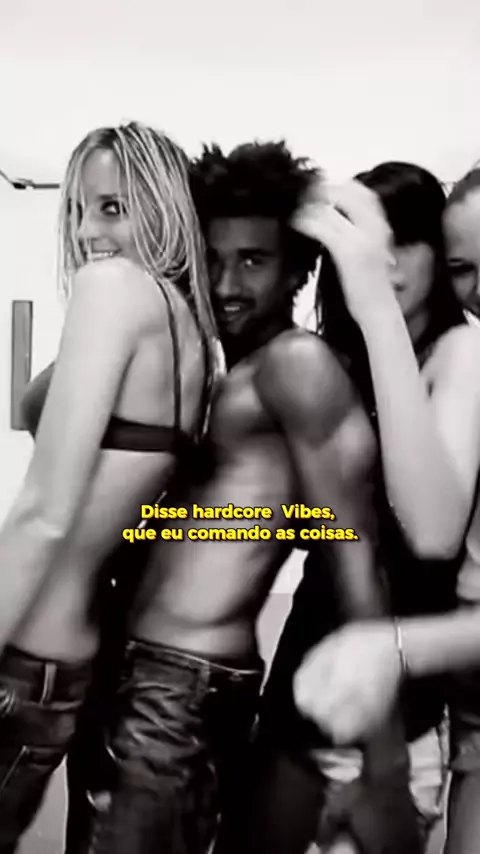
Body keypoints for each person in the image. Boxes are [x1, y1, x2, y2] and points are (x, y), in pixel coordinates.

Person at [86, 142, 421, 854]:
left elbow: (355, 552)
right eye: (212, 259)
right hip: (145, 677)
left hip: (181, 687)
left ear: (297, 270)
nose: (226, 283)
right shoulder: (219, 368)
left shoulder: (297, 365)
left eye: (252, 260)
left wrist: (384, 765)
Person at [0, 120, 220, 854]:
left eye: (114, 208)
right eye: (78, 209)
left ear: (166, 210)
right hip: (64, 663)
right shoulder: (190, 332)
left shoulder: (114, 291)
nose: (88, 232)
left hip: (20, 648)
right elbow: (38, 404)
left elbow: (45, 514)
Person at [251, 162, 480, 854]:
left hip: (395, 718)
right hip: (301, 692)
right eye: (362, 240)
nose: (382, 259)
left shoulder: (462, 352)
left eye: (403, 239)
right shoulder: (335, 366)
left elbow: (433, 534)